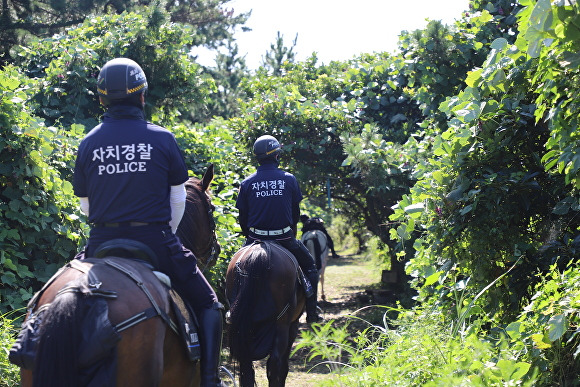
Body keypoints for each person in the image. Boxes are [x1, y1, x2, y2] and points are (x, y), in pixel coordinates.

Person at [72, 58, 223, 386]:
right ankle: (210, 380)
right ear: (142, 96)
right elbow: (179, 199)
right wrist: (166, 235)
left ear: (101, 99)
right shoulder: (162, 138)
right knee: (209, 304)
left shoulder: (88, 143)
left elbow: (85, 206)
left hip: (100, 244)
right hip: (155, 240)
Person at [235, 134, 322, 324]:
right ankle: (312, 312)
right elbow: (295, 213)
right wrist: (291, 233)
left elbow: (243, 217)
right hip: (283, 238)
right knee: (310, 268)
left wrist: (249, 237)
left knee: (235, 270)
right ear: (276, 155)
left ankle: (233, 311)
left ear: (257, 157)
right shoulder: (289, 179)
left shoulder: (247, 183)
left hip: (255, 239)